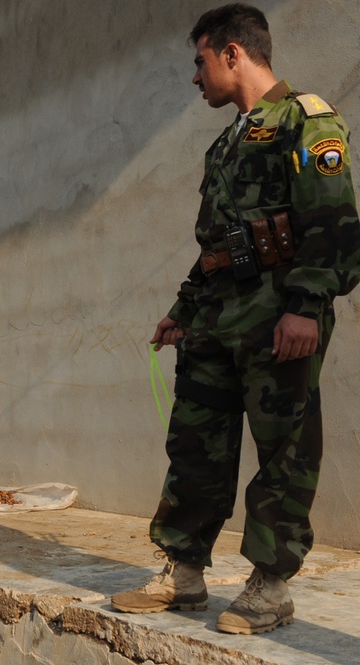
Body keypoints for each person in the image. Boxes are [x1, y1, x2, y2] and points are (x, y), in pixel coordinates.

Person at [111, 3, 360, 635]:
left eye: (200, 62)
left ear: (232, 53)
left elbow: (334, 222)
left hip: (280, 312)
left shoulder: (305, 120)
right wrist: (183, 310)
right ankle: (185, 571)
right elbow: (217, 243)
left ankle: (271, 586)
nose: (194, 78)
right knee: (195, 440)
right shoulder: (225, 143)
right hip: (218, 318)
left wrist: (306, 306)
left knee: (284, 448)